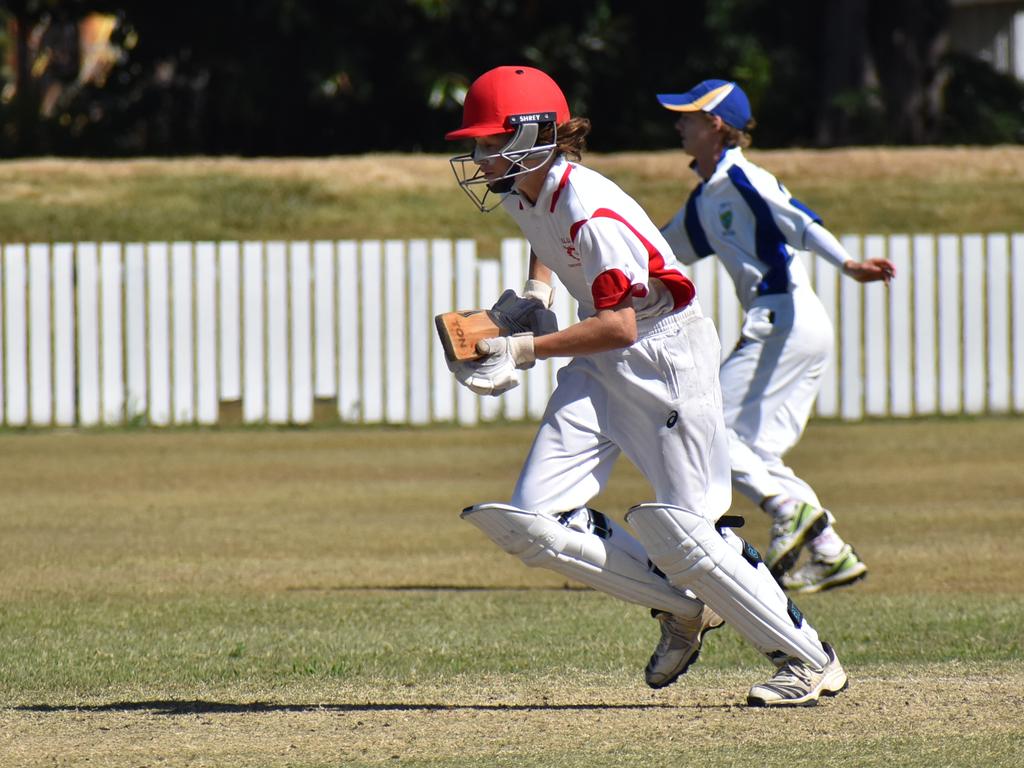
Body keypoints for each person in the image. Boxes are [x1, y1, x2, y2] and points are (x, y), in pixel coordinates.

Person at [444, 64, 848, 706]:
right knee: (534, 522)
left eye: (492, 143)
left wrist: (523, 348)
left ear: (534, 136)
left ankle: (809, 660)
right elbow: (544, 237)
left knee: (691, 534)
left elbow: (621, 326)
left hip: (666, 357)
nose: (479, 156)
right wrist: (534, 294)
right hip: (606, 360)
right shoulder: (526, 188)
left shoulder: (591, 212)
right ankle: (682, 612)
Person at [656, 79, 896, 593]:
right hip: (787, 324)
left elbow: (799, 222)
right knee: (753, 450)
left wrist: (849, 264)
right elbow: (657, 252)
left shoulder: (744, 177)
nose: (679, 124)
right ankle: (830, 551)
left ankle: (788, 508)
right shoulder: (705, 199)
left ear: (716, 125)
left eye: (688, 117)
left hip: (783, 320)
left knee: (709, 427)